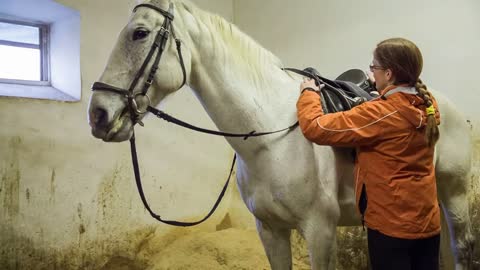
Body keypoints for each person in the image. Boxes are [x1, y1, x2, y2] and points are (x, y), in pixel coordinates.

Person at [296, 37, 441, 270]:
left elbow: (317, 127)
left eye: (374, 67)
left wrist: (309, 94)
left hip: (391, 228)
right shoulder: (427, 104)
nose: (371, 71)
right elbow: (397, 108)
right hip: (427, 223)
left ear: (390, 73)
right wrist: (382, 87)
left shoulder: (379, 114)